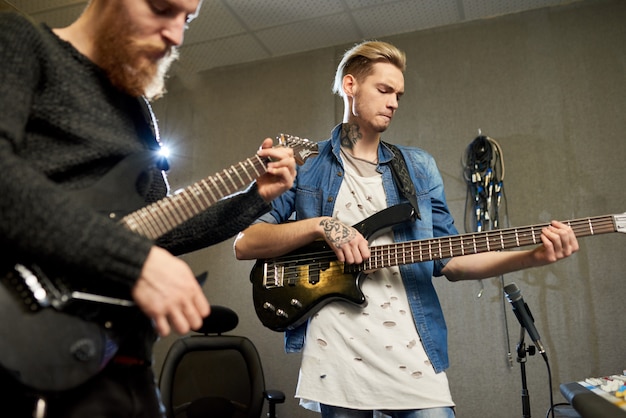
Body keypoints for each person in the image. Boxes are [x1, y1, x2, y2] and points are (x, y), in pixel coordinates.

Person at [234, 40, 579, 418]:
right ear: (350, 86)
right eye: (384, 90)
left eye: (398, 94)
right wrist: (322, 225)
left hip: (411, 348)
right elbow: (246, 242)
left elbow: (450, 261)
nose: (394, 102)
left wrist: (533, 256)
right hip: (337, 354)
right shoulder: (308, 165)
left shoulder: (418, 167)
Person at [0, 0, 296, 417]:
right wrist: (134, 260)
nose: (176, 35)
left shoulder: (138, 110)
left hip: (118, 355)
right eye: (161, 8)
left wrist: (254, 198)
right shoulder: (21, 43)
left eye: (186, 19)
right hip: (22, 333)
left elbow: (164, 230)